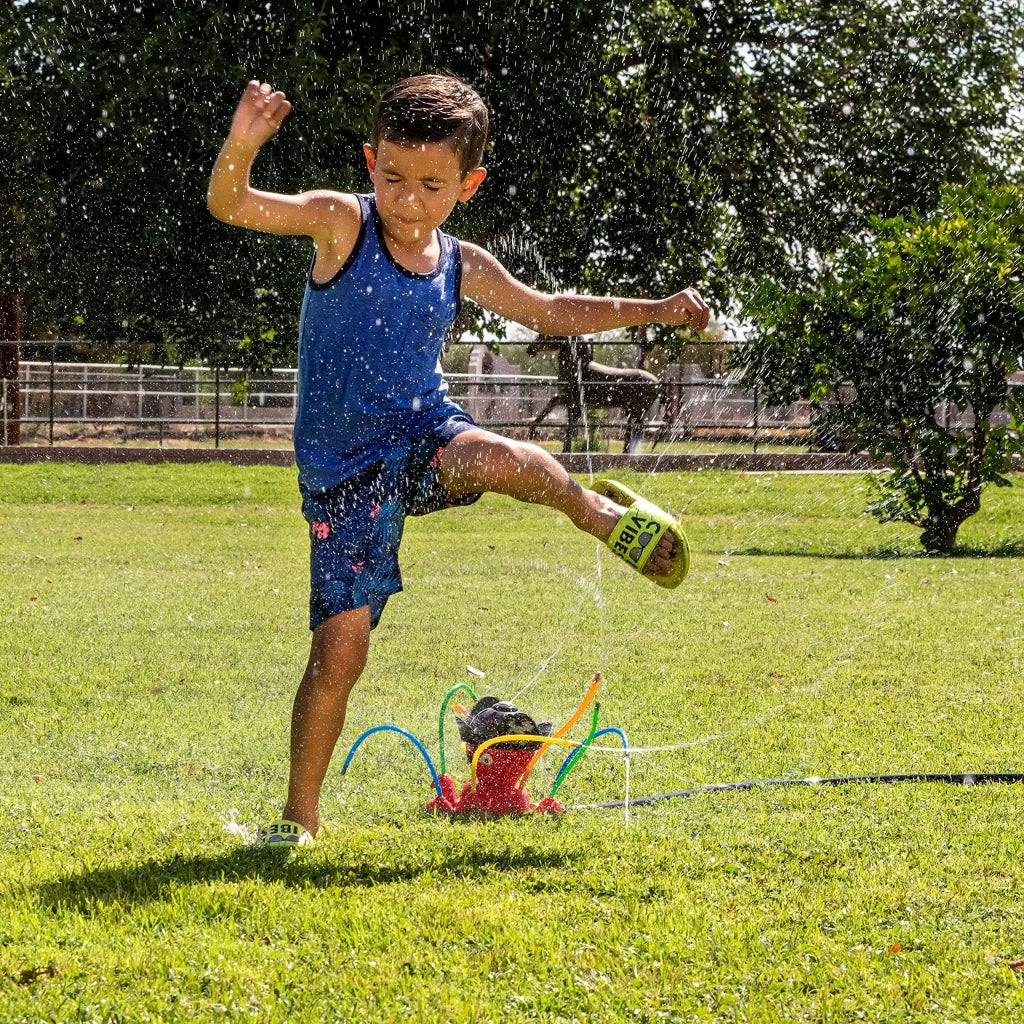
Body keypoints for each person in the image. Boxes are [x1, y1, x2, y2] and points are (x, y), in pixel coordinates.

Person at [207, 74, 711, 848]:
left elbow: (547, 311)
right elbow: (233, 205)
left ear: (468, 185)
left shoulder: (459, 262)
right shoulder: (344, 224)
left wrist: (653, 308)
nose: (409, 200)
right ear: (371, 162)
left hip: (424, 434)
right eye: (394, 177)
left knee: (516, 459)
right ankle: (298, 819)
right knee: (341, 648)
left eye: (432, 185)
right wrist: (243, 145)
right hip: (345, 477)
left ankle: (600, 513)